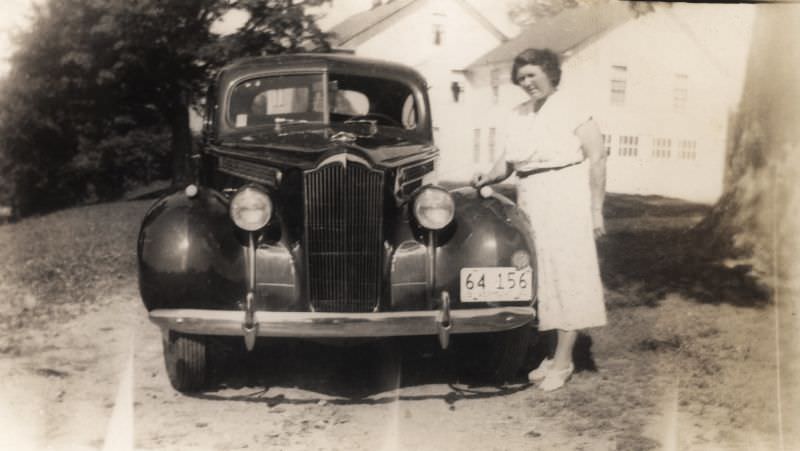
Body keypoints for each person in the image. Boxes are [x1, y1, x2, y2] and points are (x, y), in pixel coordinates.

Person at [472, 48, 607, 391]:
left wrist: (595, 209)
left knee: (567, 274)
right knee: (539, 277)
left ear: (550, 72)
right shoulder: (517, 114)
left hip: (566, 194)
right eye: (521, 79)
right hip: (530, 196)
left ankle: (564, 361)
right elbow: (507, 162)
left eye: (532, 75)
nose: (527, 83)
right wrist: (485, 179)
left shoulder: (573, 106)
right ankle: (549, 354)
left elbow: (597, 157)